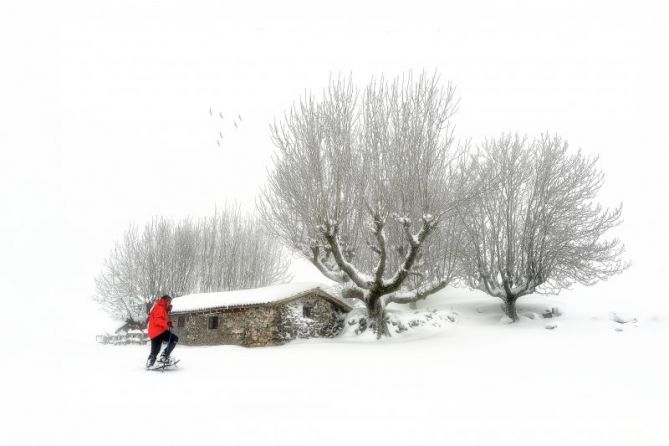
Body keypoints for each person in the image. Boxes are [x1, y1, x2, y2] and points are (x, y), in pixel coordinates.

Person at [146, 294, 179, 367]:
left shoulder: (162, 308)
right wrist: (168, 323)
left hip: (160, 331)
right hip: (157, 332)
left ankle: (161, 357)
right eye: (169, 302)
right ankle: (153, 362)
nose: (170, 303)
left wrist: (167, 310)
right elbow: (157, 320)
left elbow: (162, 318)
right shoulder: (159, 307)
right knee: (155, 351)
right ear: (166, 300)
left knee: (174, 339)